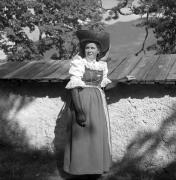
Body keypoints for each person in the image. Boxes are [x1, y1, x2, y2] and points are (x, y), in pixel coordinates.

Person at [62, 30, 134, 179]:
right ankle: (79, 169)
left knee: (96, 135)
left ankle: (94, 168)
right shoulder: (78, 63)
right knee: (81, 135)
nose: (89, 50)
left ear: (98, 51)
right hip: (82, 101)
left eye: (92, 48)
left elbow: (104, 86)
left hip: (98, 103)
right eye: (87, 48)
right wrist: (79, 111)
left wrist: (122, 80)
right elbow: (74, 87)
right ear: (84, 50)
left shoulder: (101, 66)